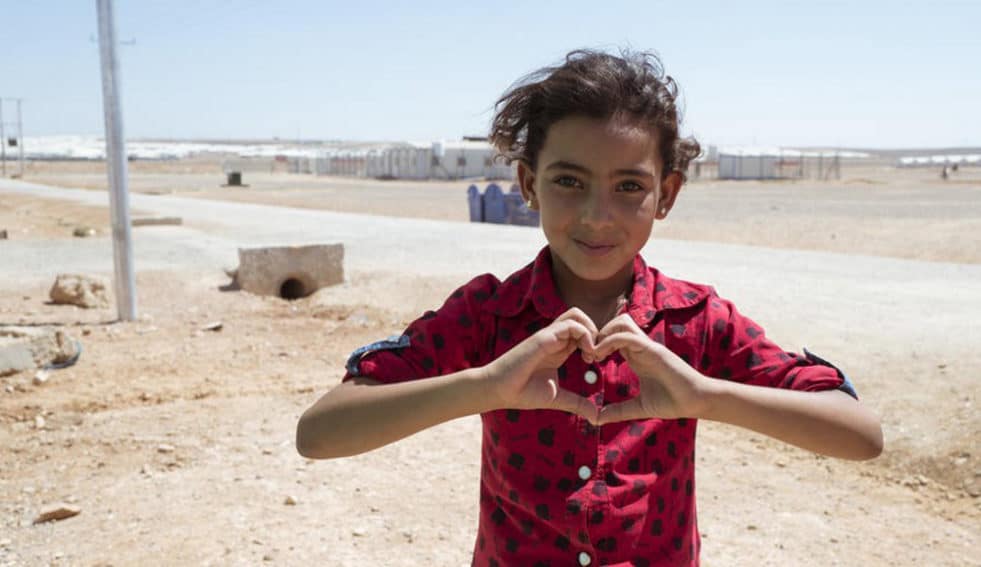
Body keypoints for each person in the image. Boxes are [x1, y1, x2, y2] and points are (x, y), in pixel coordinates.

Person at [296, 49, 883, 566]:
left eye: (629, 187)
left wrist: (706, 396)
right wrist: (485, 387)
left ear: (666, 195)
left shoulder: (694, 320)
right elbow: (321, 433)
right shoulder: (488, 314)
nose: (597, 216)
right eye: (569, 182)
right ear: (528, 185)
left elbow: (861, 434)